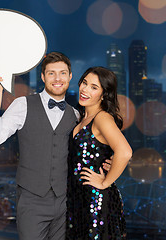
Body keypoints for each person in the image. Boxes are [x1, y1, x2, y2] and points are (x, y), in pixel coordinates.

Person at [0, 52, 110, 240]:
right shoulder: (22, 105)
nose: (57, 78)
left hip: (65, 201)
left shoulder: (76, 115)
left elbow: (89, 151)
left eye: (62, 73)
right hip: (31, 200)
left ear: (70, 76)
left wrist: (108, 162)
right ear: (43, 77)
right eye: (51, 73)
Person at [66, 66, 132, 239]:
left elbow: (125, 152)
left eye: (94, 87)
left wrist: (105, 183)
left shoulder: (102, 117)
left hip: (95, 199)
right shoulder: (82, 117)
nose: (85, 89)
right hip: (77, 198)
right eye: (84, 83)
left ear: (103, 95)